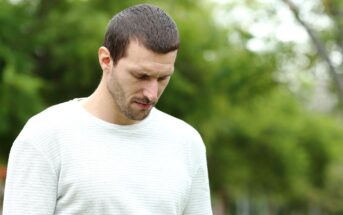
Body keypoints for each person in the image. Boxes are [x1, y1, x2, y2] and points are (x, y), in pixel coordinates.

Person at [3, 3, 212, 215]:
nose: (152, 93)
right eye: (141, 76)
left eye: (163, 78)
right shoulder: (45, 136)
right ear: (106, 60)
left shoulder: (186, 142)